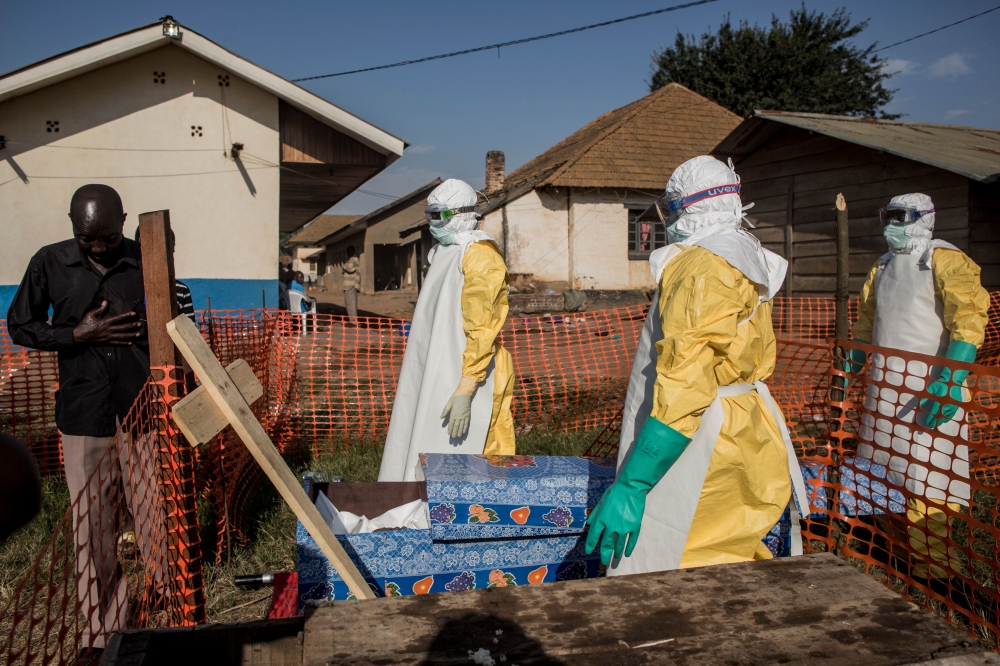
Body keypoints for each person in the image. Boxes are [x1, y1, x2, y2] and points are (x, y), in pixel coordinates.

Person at [585, 156, 808, 574]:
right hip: (742, 426)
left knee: (677, 560)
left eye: (670, 207)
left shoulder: (702, 266)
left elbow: (687, 383)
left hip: (699, 437)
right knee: (728, 556)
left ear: (689, 206)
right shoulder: (741, 253)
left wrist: (634, 484)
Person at [6, 184, 161, 651]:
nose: (96, 248)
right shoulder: (49, 262)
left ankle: (166, 610)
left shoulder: (145, 259)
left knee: (157, 520)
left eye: (108, 239)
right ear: (72, 224)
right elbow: (21, 325)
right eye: (86, 238)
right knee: (92, 527)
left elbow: (173, 319)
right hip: (84, 412)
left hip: (143, 411)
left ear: (123, 222)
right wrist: (76, 333)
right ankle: (104, 631)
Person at [850, 193, 989, 588]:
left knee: (927, 478)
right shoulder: (883, 264)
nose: (891, 224)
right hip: (884, 390)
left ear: (923, 219)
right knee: (884, 471)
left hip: (929, 392)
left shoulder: (946, 260)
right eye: (887, 216)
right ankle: (895, 550)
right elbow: (867, 322)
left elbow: (968, 320)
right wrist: (852, 366)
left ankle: (938, 573)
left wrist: (951, 379)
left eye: (900, 217)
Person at [378, 179, 516, 482]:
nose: (432, 224)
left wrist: (466, 388)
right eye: (429, 215)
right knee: (417, 437)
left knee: (463, 458)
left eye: (438, 216)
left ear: (459, 215)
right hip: (433, 369)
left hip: (464, 373)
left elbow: (482, 327)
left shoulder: (480, 256)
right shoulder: (444, 252)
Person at [342, 246, 360, 324]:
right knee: (348, 303)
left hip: (351, 284)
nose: (348, 252)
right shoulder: (349, 260)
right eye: (348, 251)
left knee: (352, 304)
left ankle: (353, 321)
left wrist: (343, 265)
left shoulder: (354, 260)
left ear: (354, 251)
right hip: (347, 285)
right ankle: (351, 320)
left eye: (350, 251)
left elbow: (348, 268)